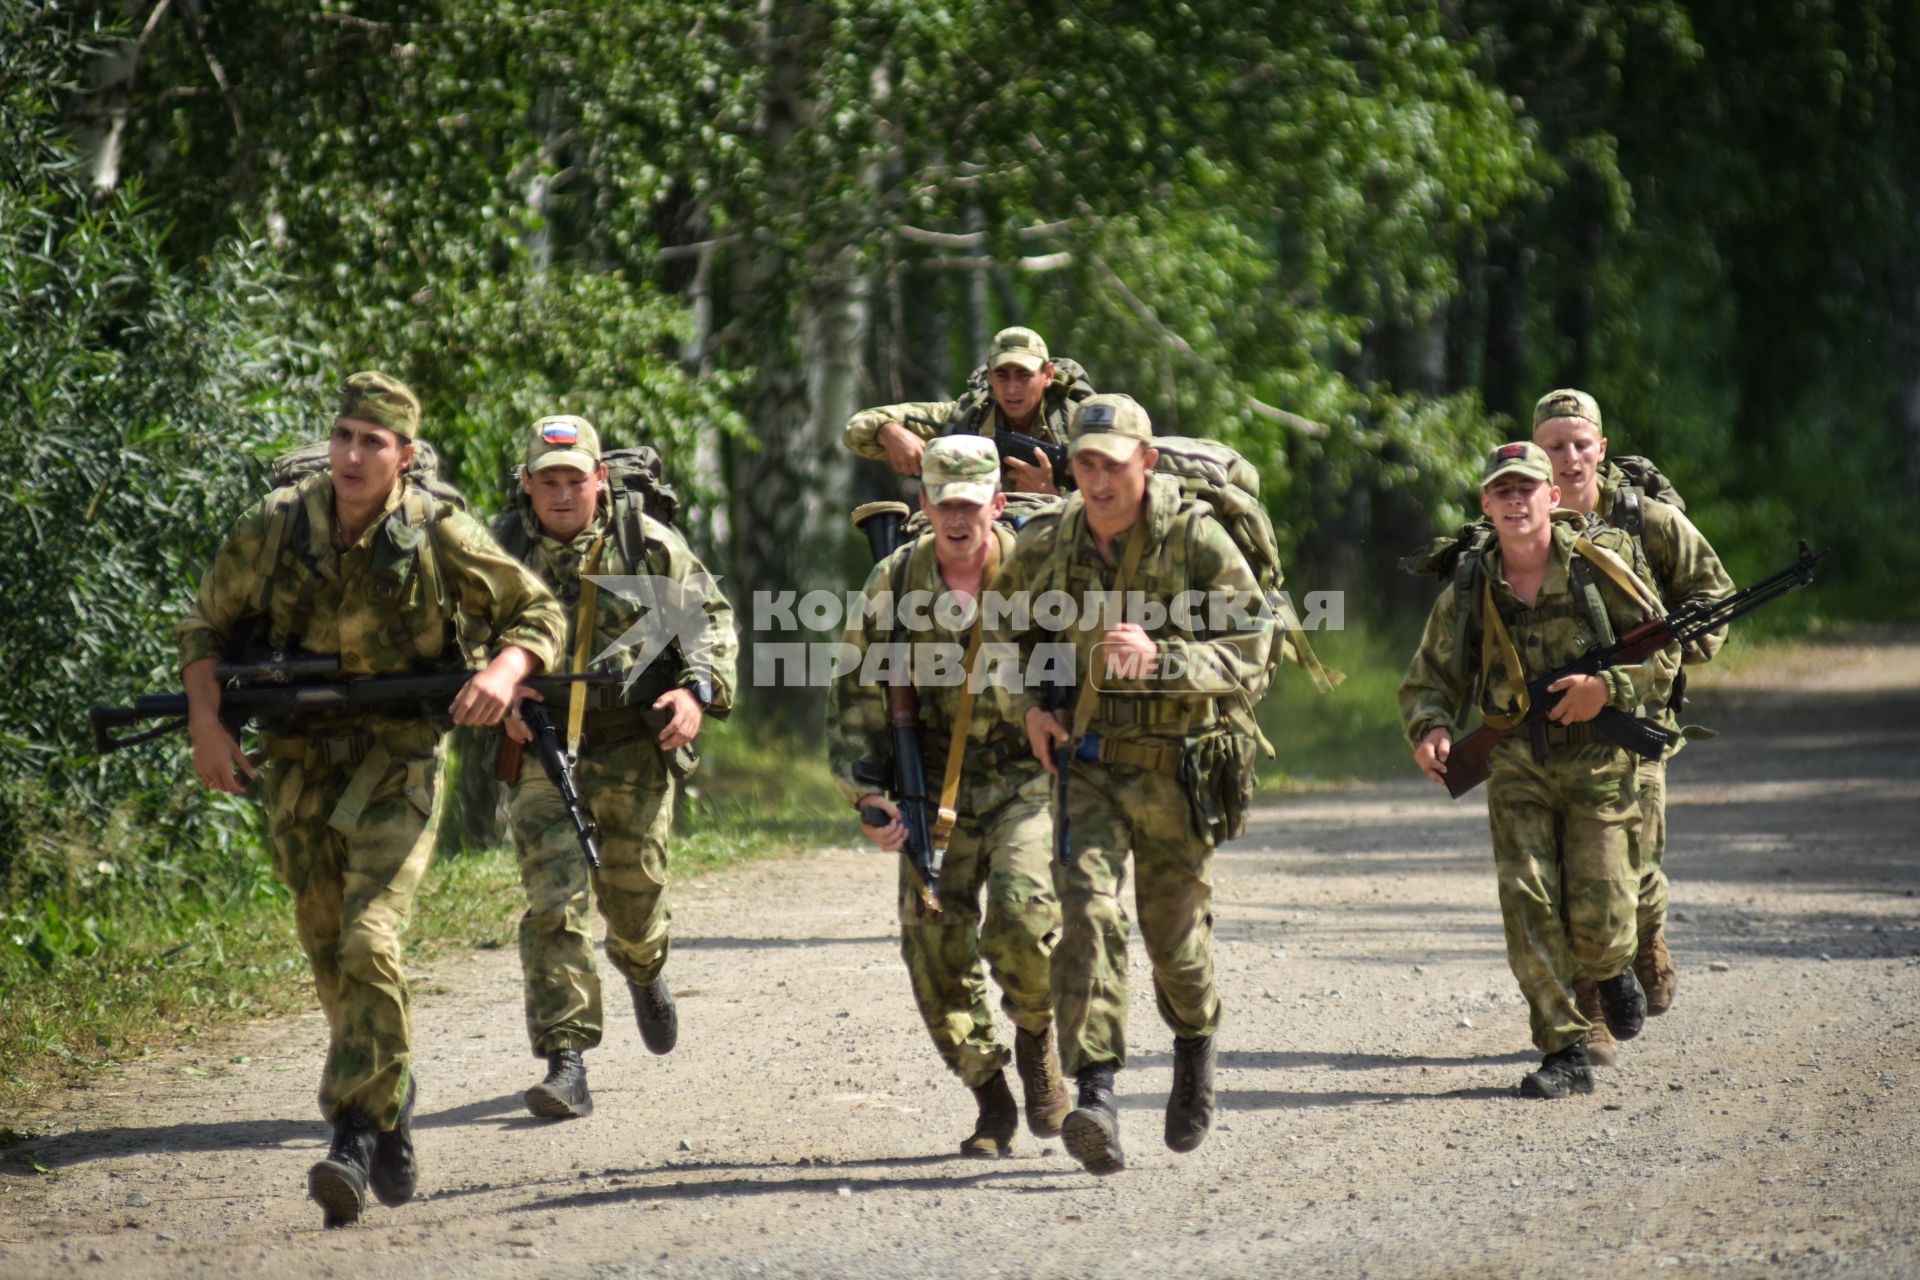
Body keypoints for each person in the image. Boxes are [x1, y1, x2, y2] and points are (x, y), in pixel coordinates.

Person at [177, 372, 567, 1226]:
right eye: (344, 435)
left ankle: (351, 1134)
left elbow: (536, 612)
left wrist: (504, 669)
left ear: (406, 456)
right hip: (298, 762)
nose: (353, 455)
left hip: (399, 760)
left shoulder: (439, 532)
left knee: (368, 937)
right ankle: (392, 1088)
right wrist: (208, 724)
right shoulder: (277, 527)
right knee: (327, 951)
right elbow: (205, 627)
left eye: (373, 442)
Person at [994, 393, 1274, 1175]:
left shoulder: (1197, 539)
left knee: (1174, 944)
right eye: (1084, 464)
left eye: (1113, 465)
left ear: (1145, 462)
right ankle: (1098, 1096)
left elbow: (1257, 651)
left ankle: (1194, 1045)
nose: (1098, 480)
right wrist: (1030, 708)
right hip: (1087, 765)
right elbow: (1006, 633)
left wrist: (1164, 660)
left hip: (1178, 769)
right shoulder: (1047, 540)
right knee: (1085, 916)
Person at [1399, 441, 1679, 1100]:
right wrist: (1433, 728)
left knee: (1602, 913)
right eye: (1504, 491)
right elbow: (1430, 678)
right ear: (1487, 506)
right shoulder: (1473, 585)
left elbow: (1664, 657)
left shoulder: (1599, 569)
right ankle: (1564, 1048)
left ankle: (1613, 970)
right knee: (1527, 902)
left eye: (1530, 488)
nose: (1517, 500)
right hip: (1518, 762)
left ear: (1553, 497)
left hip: (1599, 759)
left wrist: (1606, 690)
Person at [825, 435, 1070, 1156]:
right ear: (924, 505)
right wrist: (868, 795)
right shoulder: (895, 584)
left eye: (971, 503)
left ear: (997, 503)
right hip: (932, 782)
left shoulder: (1038, 572)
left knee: (1025, 919)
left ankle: (1034, 1037)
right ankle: (991, 1098)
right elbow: (854, 692)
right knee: (933, 945)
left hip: (1027, 775)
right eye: (944, 504)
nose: (957, 519)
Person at [490, 414, 737, 1119]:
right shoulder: (497, 555)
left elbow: (709, 619)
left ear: (600, 480)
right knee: (552, 901)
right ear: (528, 486)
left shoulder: (644, 545)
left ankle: (644, 964)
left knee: (632, 893)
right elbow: (454, 636)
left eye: (575, 480)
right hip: (539, 739)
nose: (562, 496)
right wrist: (494, 692)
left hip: (630, 737)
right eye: (548, 482)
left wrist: (696, 691)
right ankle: (566, 1060)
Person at [1532, 389, 1733, 1062]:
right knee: (1572, 875)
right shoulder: (1519, 521)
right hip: (1554, 730)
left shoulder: (1647, 522)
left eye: (1579, 443)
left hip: (1636, 720)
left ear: (1601, 448)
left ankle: (1646, 936)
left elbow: (1711, 596)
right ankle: (1586, 1011)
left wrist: (1675, 641)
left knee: (1635, 868)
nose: (1567, 457)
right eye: (1553, 445)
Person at [843, 326, 1093, 494]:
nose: (1012, 388)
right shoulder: (968, 418)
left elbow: (1118, 503)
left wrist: (1052, 497)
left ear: (1047, 375)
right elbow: (857, 426)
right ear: (990, 376)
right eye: (1002, 376)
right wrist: (888, 432)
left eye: (1024, 375)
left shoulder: (1080, 426)